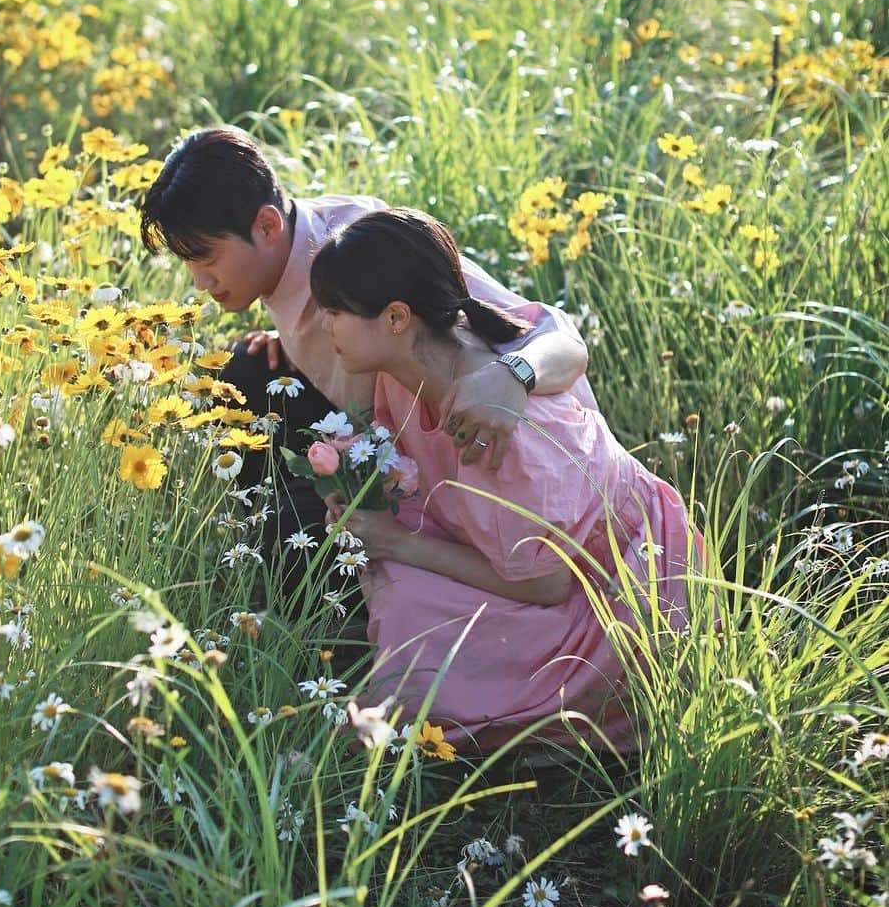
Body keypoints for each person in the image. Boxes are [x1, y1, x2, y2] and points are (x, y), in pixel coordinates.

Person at [139, 127, 592, 602]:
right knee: (245, 374)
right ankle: (269, 539)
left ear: (267, 226)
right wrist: (288, 342)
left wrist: (514, 378)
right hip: (375, 433)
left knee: (308, 555)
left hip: (476, 456)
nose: (198, 281)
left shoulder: (360, 248)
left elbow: (558, 337)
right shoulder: (274, 261)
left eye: (206, 257)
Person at [310, 208, 701, 754]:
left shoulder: (492, 428)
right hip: (527, 562)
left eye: (334, 310)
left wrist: (395, 540)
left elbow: (549, 584)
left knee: (408, 600)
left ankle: (427, 724)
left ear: (397, 317)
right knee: (402, 590)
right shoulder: (411, 367)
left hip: (606, 598)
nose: (324, 325)